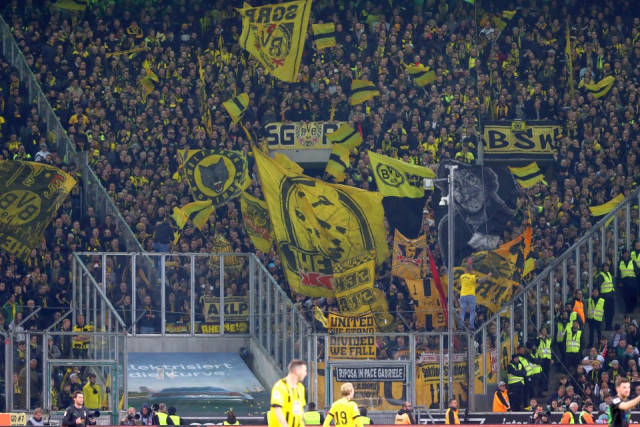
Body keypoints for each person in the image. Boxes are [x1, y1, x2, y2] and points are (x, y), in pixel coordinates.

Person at [268, 360, 307, 427]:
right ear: (297, 371)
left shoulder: (301, 388)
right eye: (304, 371)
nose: (305, 373)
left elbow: (301, 412)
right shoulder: (280, 386)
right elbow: (277, 409)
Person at [458, 263, 491, 329]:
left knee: (462, 312)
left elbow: (466, 274)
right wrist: (487, 276)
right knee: (472, 312)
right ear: (471, 270)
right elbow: (480, 281)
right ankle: (471, 326)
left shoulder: (462, 276)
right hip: (471, 296)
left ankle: (461, 327)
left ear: (465, 269)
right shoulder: (473, 277)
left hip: (463, 295)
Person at [596, 262, 615, 330]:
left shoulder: (608, 274)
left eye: (608, 266)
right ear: (602, 268)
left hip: (611, 295)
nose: (607, 268)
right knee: (607, 312)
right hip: (605, 296)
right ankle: (607, 326)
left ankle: (609, 325)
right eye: (605, 267)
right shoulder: (601, 275)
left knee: (612, 311)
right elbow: (598, 286)